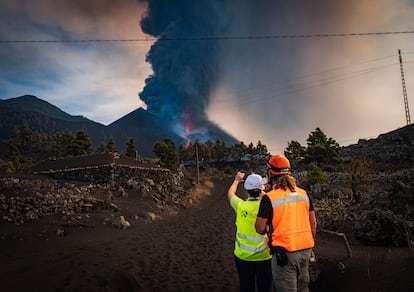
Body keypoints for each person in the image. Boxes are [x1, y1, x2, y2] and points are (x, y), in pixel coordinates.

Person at [255, 155, 317, 292]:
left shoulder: (269, 198)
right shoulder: (304, 194)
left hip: (285, 255)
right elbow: (313, 224)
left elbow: (259, 228)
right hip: (306, 252)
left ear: (270, 173)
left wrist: (270, 227)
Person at [228, 171, 273, 292]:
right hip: (265, 256)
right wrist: (261, 184)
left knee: (246, 287)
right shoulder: (268, 207)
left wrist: (237, 180)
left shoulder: (240, 206)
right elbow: (266, 197)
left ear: (247, 190)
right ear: (261, 190)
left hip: (243, 256)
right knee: (265, 288)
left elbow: (231, 193)